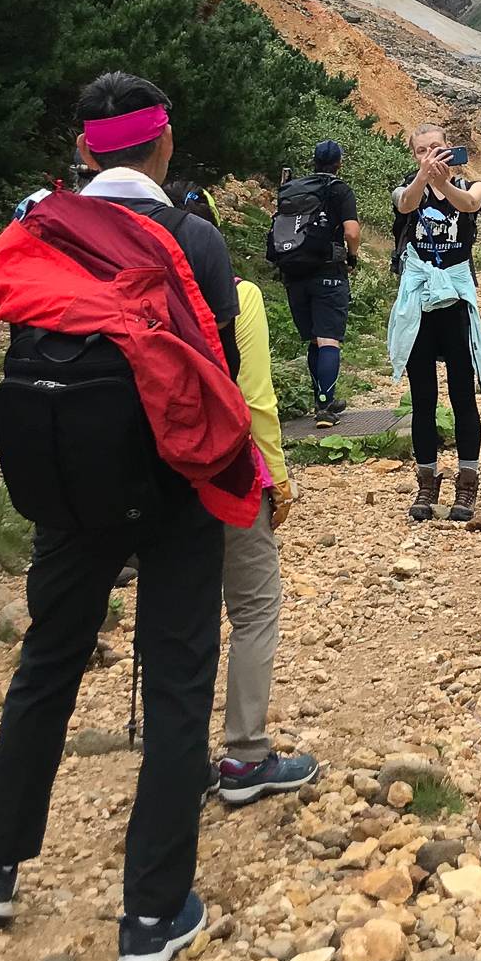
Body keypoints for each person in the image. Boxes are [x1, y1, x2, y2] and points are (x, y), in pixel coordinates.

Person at [0, 74, 238, 961]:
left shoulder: (42, 228)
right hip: (173, 485)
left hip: (71, 481)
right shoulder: (191, 237)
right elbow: (219, 368)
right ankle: (152, 914)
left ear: (87, 149)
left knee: (48, 661)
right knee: (176, 679)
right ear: (162, 144)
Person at [170, 181, 324, 804]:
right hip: (230, 471)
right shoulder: (241, 296)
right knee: (255, 609)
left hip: (164, 476)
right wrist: (278, 475)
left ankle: (177, 759)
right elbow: (256, 395)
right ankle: (245, 756)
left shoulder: (140, 294)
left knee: (180, 617)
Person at [389, 125, 481, 521]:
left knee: (463, 395)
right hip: (420, 305)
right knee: (423, 398)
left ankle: (467, 481)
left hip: (456, 302)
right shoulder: (405, 187)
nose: (430, 155)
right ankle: (426, 481)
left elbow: (468, 205)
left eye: (436, 148)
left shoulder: (472, 184)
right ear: (413, 155)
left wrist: (444, 183)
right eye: (421, 150)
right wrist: (422, 177)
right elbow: (405, 205)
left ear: (449, 149)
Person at [273, 141, 361, 426]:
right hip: (328, 272)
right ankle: (325, 407)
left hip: (294, 273)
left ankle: (322, 398)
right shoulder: (339, 190)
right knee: (329, 338)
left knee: (314, 339)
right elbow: (352, 232)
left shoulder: (295, 189)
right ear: (340, 163)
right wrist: (352, 257)